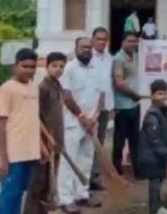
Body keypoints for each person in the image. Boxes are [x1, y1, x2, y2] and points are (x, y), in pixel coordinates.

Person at [58, 38, 103, 212]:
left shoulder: (96, 68)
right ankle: (66, 199)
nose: (87, 50)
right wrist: (81, 116)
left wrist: (95, 117)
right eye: (83, 47)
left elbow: (101, 95)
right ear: (76, 49)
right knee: (69, 161)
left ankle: (82, 195)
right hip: (73, 122)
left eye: (89, 47)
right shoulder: (69, 68)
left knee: (86, 160)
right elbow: (67, 96)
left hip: (91, 123)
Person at [0, 48, 40, 214]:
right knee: (10, 194)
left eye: (32, 67)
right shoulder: (6, 89)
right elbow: (0, 124)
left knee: (21, 192)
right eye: (25, 66)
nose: (29, 70)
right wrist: (3, 159)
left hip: (31, 152)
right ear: (15, 66)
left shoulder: (34, 88)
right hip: (14, 154)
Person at [24, 52, 67, 214]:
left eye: (61, 66)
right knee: (38, 182)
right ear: (47, 66)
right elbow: (36, 117)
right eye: (54, 66)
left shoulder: (57, 85)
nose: (58, 69)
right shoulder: (43, 88)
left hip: (56, 141)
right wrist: (44, 142)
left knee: (49, 184)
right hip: (43, 142)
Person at [138, 79, 167, 214]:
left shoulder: (161, 112)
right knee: (154, 185)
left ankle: (158, 208)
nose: (163, 97)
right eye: (159, 94)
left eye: (164, 93)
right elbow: (155, 140)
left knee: (158, 183)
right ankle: (154, 210)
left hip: (157, 156)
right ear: (152, 96)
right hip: (152, 157)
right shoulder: (153, 115)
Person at [112, 31, 145, 178]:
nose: (133, 44)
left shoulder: (136, 56)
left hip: (134, 105)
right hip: (123, 105)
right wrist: (134, 95)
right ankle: (116, 169)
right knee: (120, 139)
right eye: (130, 41)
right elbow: (118, 82)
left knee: (135, 139)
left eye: (136, 42)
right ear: (123, 42)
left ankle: (137, 169)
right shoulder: (118, 59)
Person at [87, 28, 114, 192]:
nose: (101, 42)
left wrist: (111, 108)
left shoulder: (110, 59)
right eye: (98, 39)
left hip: (104, 108)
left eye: (104, 39)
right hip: (89, 109)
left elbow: (108, 85)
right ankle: (83, 177)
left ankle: (94, 177)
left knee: (100, 143)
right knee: (86, 144)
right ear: (92, 40)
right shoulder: (86, 58)